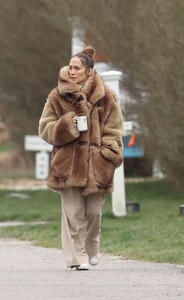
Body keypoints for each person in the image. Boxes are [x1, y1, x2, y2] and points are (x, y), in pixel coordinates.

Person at [38, 45, 123, 270]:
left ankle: (92, 247)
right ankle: (78, 257)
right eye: (70, 67)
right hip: (67, 163)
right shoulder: (57, 95)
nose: (72, 71)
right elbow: (44, 128)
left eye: (77, 68)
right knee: (73, 213)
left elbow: (114, 129)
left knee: (93, 212)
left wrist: (108, 154)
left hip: (98, 164)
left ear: (89, 71)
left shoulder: (107, 97)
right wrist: (66, 125)